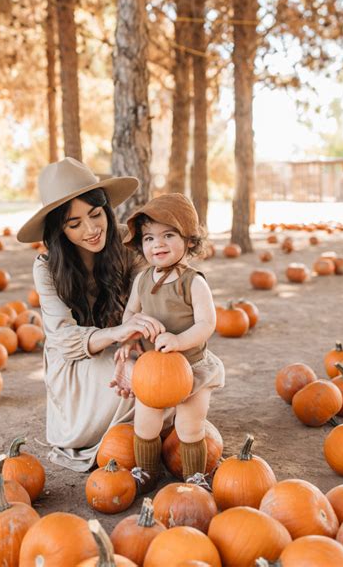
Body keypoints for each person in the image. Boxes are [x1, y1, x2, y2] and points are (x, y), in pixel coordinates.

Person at [16, 157, 167, 472]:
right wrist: (115, 335)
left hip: (131, 347)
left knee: (174, 375)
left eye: (96, 214)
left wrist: (130, 343)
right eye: (74, 224)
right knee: (139, 384)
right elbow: (63, 339)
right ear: (60, 229)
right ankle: (127, 441)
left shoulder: (131, 245)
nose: (91, 229)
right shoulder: (46, 267)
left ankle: (150, 434)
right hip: (76, 362)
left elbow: (155, 301)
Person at [111, 193, 225, 492]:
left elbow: (206, 323)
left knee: (190, 426)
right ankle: (146, 471)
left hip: (191, 368)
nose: (157, 244)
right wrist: (128, 338)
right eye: (148, 238)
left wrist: (178, 339)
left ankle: (193, 474)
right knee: (144, 424)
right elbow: (131, 314)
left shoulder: (193, 282)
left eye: (168, 235)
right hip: (153, 370)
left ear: (189, 240)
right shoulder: (142, 280)